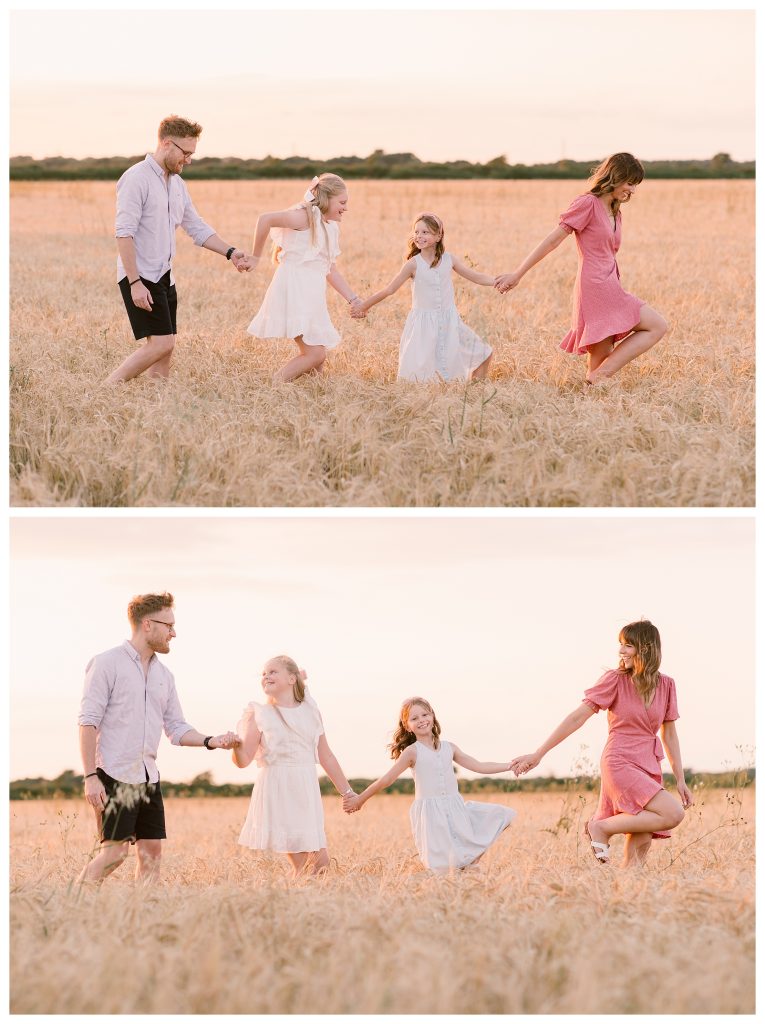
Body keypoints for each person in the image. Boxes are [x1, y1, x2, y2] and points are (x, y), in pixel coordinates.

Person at [77, 592, 239, 883]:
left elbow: (176, 727)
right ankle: (73, 902)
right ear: (147, 624)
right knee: (114, 854)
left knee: (152, 854)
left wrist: (210, 740)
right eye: (169, 626)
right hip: (114, 774)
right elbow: (88, 722)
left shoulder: (165, 676)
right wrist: (90, 777)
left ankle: (144, 911)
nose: (173, 633)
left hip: (149, 777)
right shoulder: (106, 663)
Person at [510, 620, 693, 867]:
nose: (621, 651)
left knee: (641, 842)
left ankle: (627, 885)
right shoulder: (615, 680)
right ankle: (601, 827)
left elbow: (669, 735)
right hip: (620, 761)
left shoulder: (667, 685)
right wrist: (538, 753)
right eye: (621, 645)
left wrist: (680, 779)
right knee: (673, 813)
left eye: (628, 645)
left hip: (649, 763)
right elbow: (577, 717)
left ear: (646, 648)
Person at [494, 153, 668, 385]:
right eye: (630, 183)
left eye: (636, 185)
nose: (633, 190)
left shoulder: (615, 210)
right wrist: (517, 274)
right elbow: (552, 241)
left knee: (602, 362)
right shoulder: (588, 203)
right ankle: (598, 378)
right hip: (595, 286)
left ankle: (595, 382)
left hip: (611, 284)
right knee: (656, 326)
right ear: (615, 176)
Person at [108, 114, 251, 384]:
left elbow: (196, 226)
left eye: (191, 154)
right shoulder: (136, 178)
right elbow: (124, 233)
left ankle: (157, 402)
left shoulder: (177, 184)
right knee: (161, 344)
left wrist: (231, 252)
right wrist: (135, 283)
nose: (189, 159)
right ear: (166, 144)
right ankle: (106, 389)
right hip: (141, 276)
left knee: (166, 348)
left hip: (165, 276)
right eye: (186, 153)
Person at [343, 697, 515, 872]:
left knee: (501, 816)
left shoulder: (449, 747)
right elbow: (386, 780)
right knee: (442, 867)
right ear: (407, 725)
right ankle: (459, 875)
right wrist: (360, 800)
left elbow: (479, 766)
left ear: (432, 715)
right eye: (414, 718)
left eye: (425, 715)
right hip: (431, 815)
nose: (421, 720)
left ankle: (471, 864)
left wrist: (510, 766)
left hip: (455, 809)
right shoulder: (411, 752)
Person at [233, 656, 354, 878]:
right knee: (306, 867)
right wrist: (234, 746)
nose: (266, 676)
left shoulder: (311, 711)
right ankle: (288, 898)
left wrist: (347, 792)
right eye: (263, 673)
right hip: (279, 789)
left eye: (272, 671)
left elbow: (326, 756)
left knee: (321, 867)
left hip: (306, 790)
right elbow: (243, 760)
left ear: (291, 678)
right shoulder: (260, 713)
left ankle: (288, 897)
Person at [241, 174, 364, 382]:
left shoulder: (330, 226)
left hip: (311, 294)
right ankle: (274, 384)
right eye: (342, 202)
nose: (346, 208)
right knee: (315, 354)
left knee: (317, 361)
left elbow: (330, 270)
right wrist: (255, 257)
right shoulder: (304, 217)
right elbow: (265, 219)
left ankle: (314, 396)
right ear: (326, 199)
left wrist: (353, 299)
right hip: (295, 291)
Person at [352, 212, 494, 382]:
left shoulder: (449, 259)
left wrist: (498, 282)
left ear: (438, 236)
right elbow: (389, 289)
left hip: (450, 323)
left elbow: (476, 277)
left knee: (484, 353)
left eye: (425, 232)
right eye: (416, 232)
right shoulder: (413, 264)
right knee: (422, 377)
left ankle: (473, 393)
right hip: (423, 326)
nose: (419, 236)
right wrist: (364, 306)